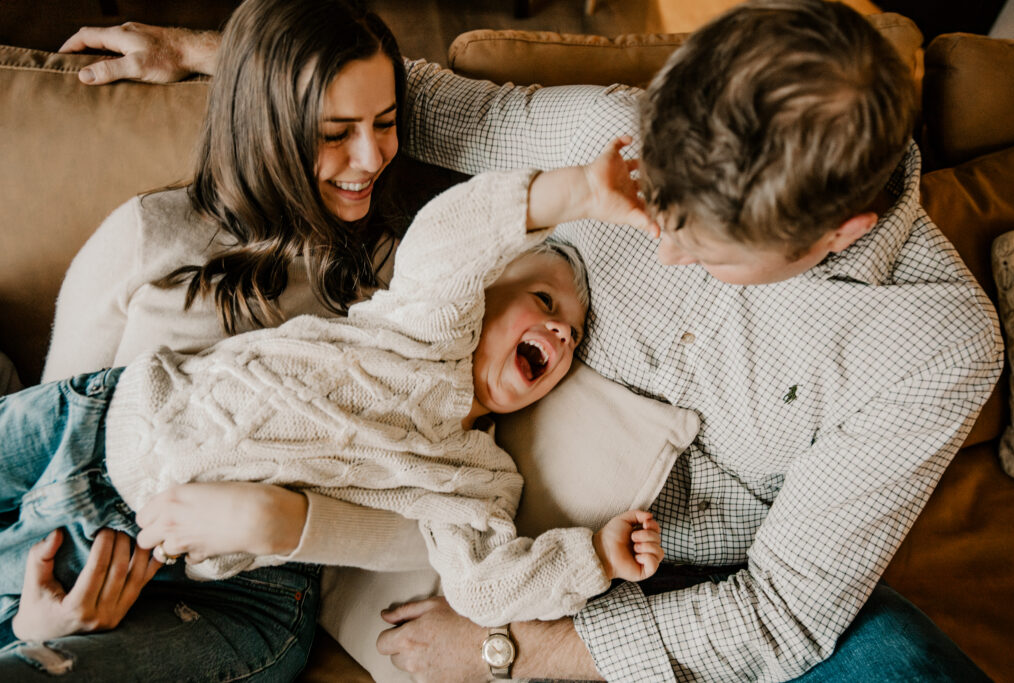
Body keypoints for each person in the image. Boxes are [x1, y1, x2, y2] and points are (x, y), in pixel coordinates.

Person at [50, 0, 1006, 680]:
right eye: (655, 197)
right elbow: (422, 106)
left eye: (705, 246)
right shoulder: (617, 143)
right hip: (452, 491)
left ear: (837, 233)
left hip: (647, 585)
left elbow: (783, 612)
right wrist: (214, 52)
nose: (657, 236)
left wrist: (509, 651)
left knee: (898, 660)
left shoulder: (931, 343)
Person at [1, 136, 667, 629]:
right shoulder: (425, 324)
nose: (561, 336)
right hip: (100, 414)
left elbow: (483, 587)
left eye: (573, 339)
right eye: (546, 304)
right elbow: (452, 237)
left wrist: (595, 557)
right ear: (485, 290)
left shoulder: (481, 479)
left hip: (130, 542)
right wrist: (578, 189)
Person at [1, 0, 414, 679]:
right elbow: (53, 428)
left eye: (387, 122)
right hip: (82, 523)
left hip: (243, 593)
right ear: (265, 125)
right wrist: (34, 616)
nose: (369, 157)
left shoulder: (397, 272)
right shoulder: (150, 234)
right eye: (335, 132)